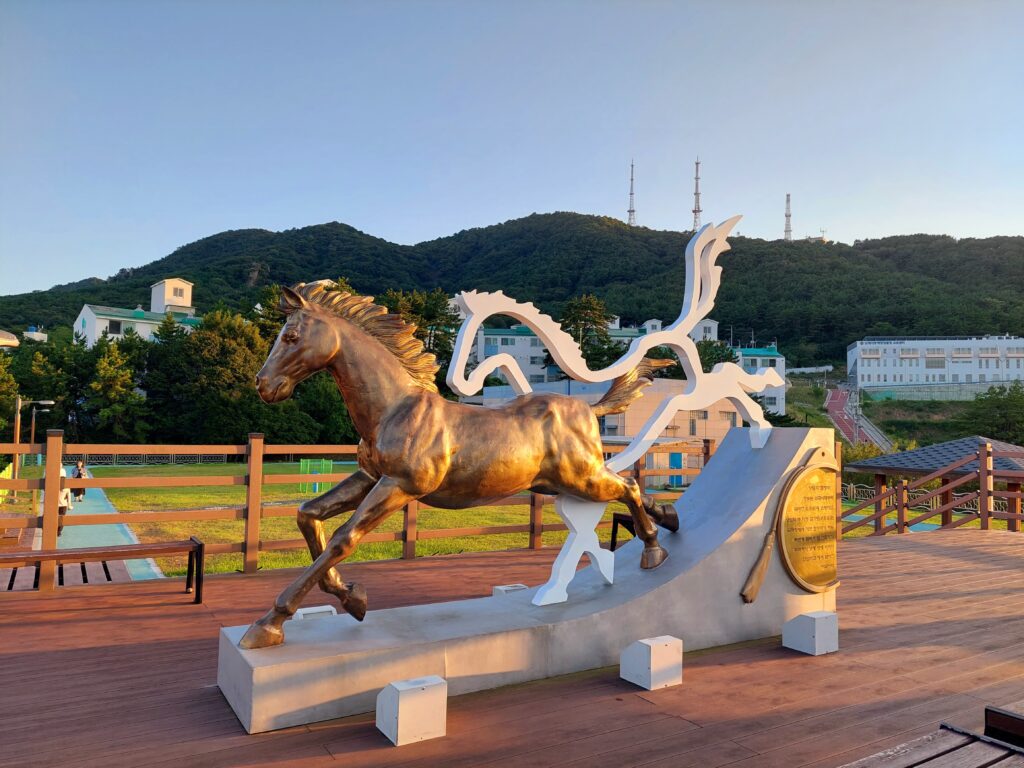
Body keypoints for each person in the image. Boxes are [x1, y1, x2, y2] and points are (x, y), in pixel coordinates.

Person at [57, 467, 73, 536]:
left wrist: (69, 504)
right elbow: (69, 496)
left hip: (59, 504)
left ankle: (58, 530)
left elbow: (69, 495)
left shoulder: (55, 484)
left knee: (59, 518)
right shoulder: (66, 485)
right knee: (61, 518)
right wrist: (69, 505)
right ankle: (58, 531)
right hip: (62, 504)